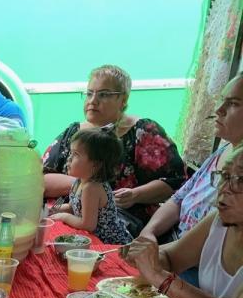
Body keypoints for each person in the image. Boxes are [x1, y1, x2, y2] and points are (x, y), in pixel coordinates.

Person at [125, 145, 243, 298]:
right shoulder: (217, 222)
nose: (224, 188)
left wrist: (160, 277)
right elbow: (171, 258)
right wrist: (148, 255)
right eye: (224, 176)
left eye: (240, 180)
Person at [43, 65, 186, 234]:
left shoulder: (143, 132)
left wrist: (135, 195)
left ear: (123, 100)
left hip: (119, 223)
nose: (93, 100)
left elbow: (176, 182)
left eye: (103, 94)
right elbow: (40, 179)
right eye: (89, 93)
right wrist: (83, 185)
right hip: (68, 212)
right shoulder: (74, 132)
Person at [139, 74, 243, 245]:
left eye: (233, 103)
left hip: (197, 264)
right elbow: (178, 199)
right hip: (173, 247)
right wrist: (149, 232)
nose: (218, 110)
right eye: (222, 100)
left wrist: (164, 254)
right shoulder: (222, 151)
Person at [49, 128, 131, 245]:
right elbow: (73, 207)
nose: (69, 157)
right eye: (71, 152)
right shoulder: (79, 181)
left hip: (110, 242)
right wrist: (51, 209)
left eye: (76, 154)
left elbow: (87, 225)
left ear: (95, 165)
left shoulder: (92, 188)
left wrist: (63, 217)